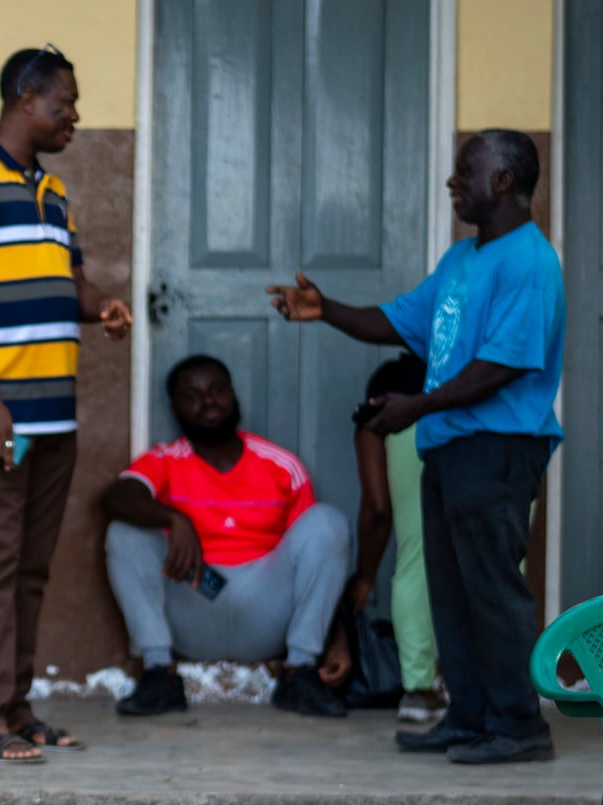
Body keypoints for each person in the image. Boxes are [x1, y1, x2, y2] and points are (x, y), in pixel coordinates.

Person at [267, 129, 563, 764]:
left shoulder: (530, 262)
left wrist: (415, 407)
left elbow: (501, 367)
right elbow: (400, 320)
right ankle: (470, 716)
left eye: (466, 171)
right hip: (451, 445)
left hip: (500, 447)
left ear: (504, 181)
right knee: (449, 587)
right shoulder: (461, 261)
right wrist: (327, 310)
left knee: (491, 588)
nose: (454, 182)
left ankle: (518, 726)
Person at [0, 44, 132, 763]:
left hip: (55, 416)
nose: (73, 116)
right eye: (63, 103)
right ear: (24, 97)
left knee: (30, 568)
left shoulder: (55, 193)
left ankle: (15, 708)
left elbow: (66, 282)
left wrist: (100, 305)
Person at [104, 355, 351, 718]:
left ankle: (301, 671)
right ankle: (158, 672)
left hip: (267, 605)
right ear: (176, 408)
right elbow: (116, 497)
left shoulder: (280, 464)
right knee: (124, 530)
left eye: (218, 390)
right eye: (194, 396)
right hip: (198, 594)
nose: (208, 401)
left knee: (328, 522)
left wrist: (339, 640)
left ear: (233, 395)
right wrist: (175, 518)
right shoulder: (166, 460)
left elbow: (321, 559)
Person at [349, 352, 445, 721]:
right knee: (502, 566)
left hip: (412, 436)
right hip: (495, 436)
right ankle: (505, 688)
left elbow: (377, 508)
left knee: (416, 558)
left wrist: (366, 576)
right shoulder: (478, 365)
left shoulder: (391, 381)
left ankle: (419, 691)